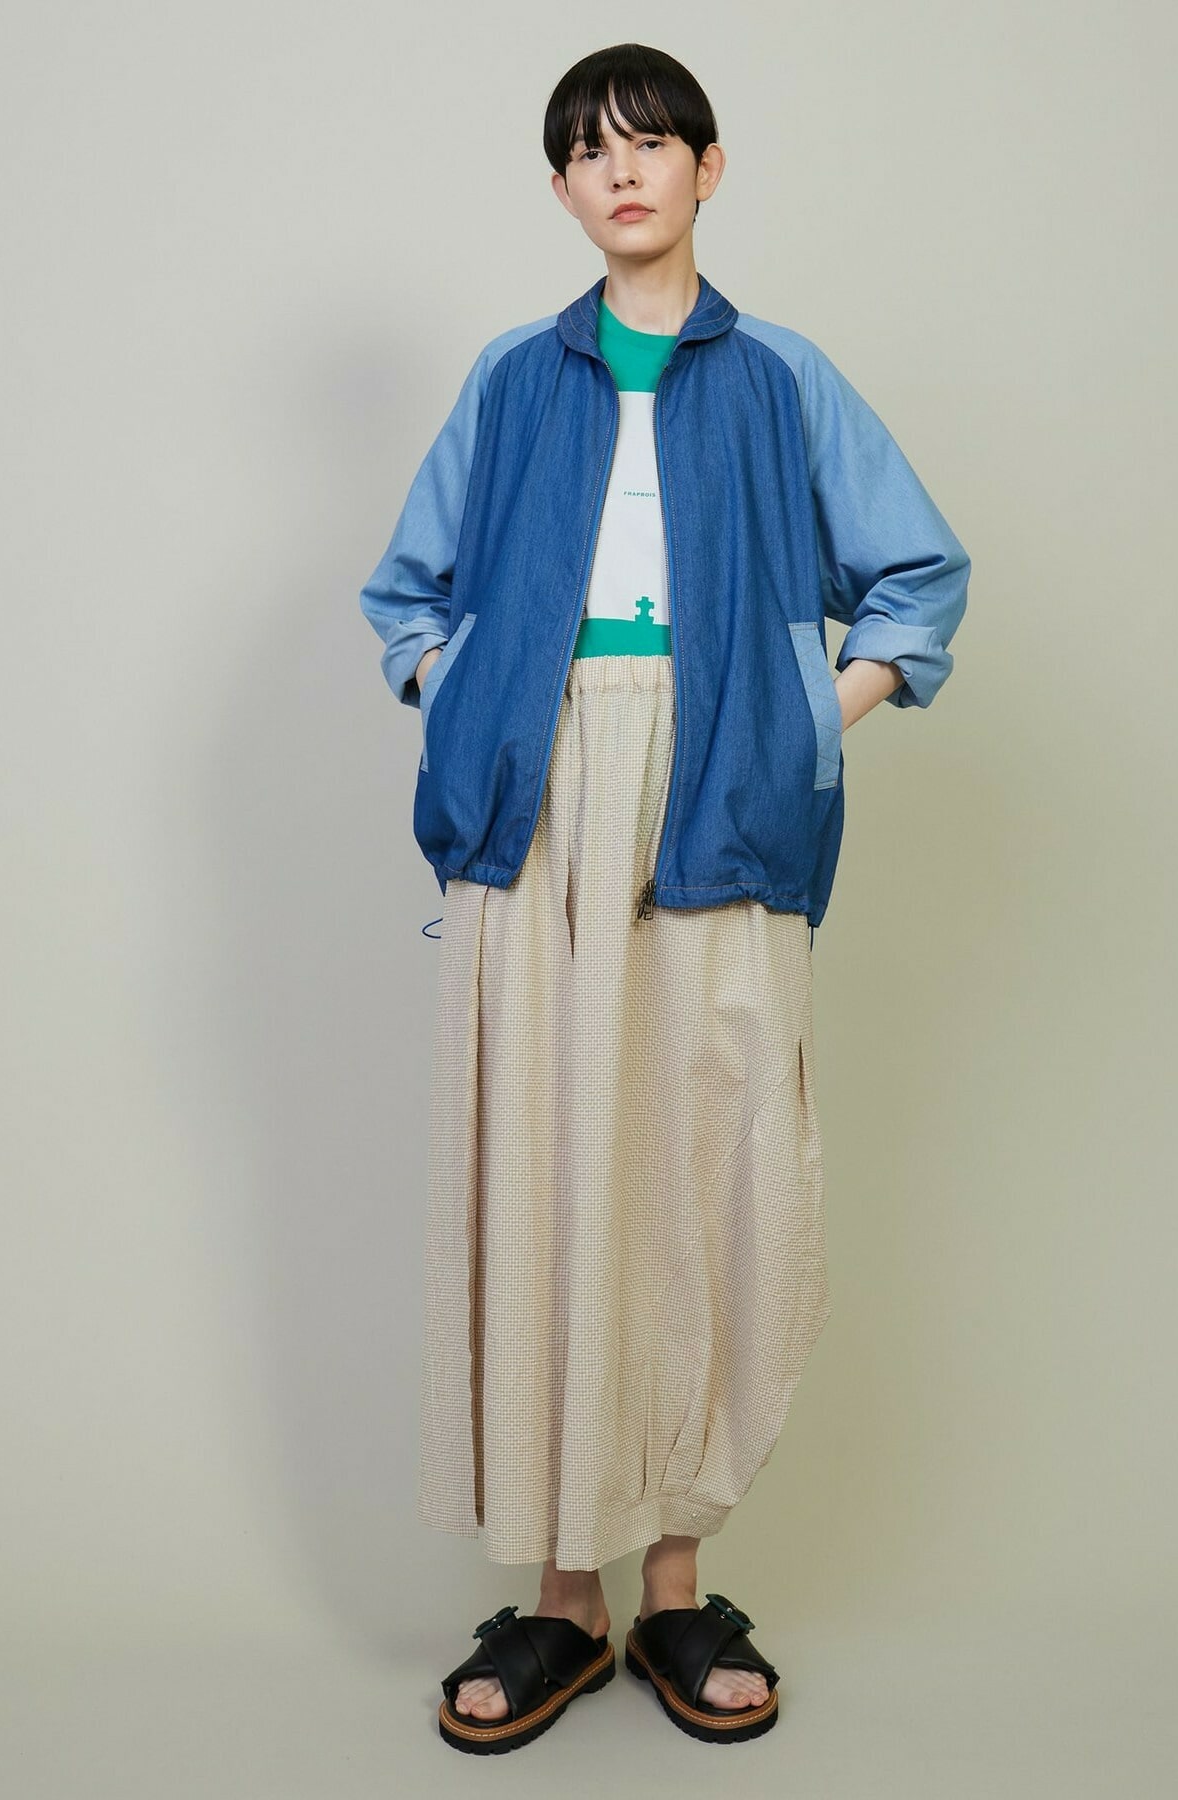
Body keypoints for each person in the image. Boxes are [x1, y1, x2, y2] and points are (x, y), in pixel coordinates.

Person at [357, 42, 970, 1752]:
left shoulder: (781, 378)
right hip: (537, 797)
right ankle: (561, 1602)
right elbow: (410, 592)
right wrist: (472, 703)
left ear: (710, 167)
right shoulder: (512, 377)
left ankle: (679, 1587)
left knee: (704, 1165)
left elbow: (918, 578)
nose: (621, 171)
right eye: (587, 150)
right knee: (546, 1160)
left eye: (650, 143)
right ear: (561, 188)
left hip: (720, 790)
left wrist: (803, 722)